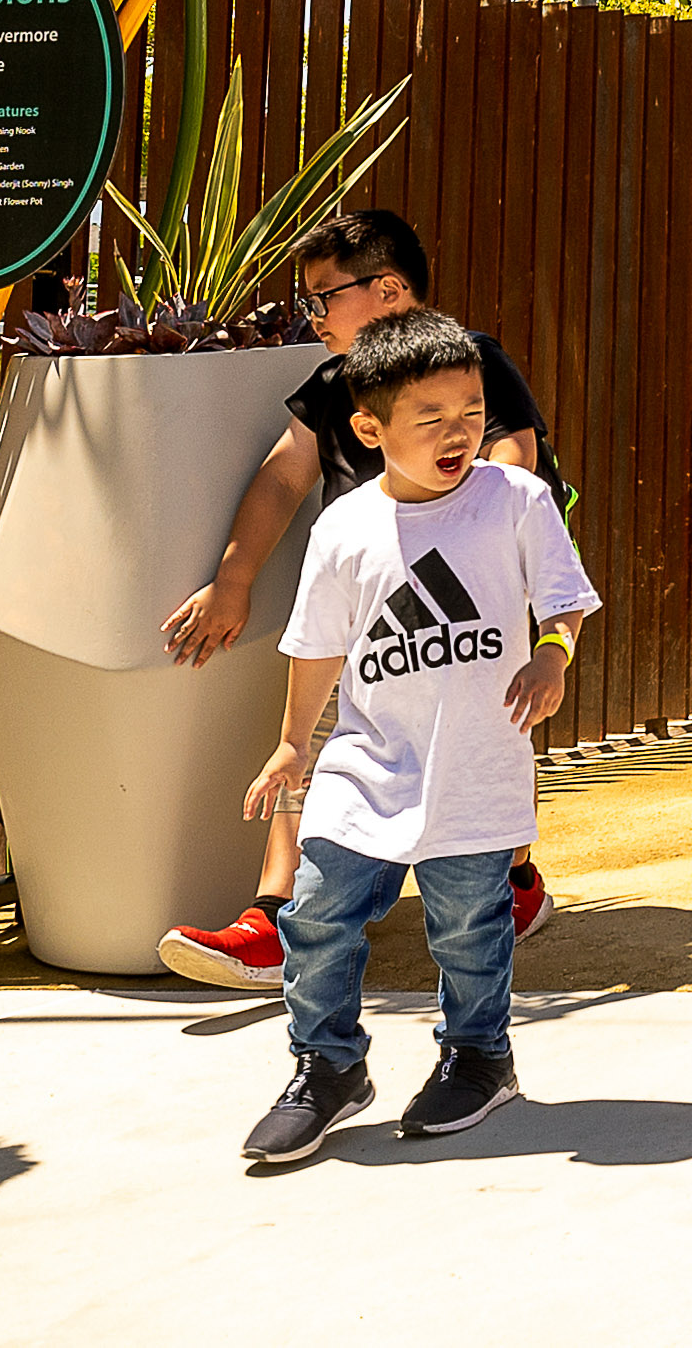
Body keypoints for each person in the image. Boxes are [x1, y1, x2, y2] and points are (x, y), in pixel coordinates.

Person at [158, 209, 562, 985]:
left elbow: (515, 452)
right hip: (371, 594)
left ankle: (512, 883)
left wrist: (503, 555)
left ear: (389, 290)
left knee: (479, 739)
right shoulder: (332, 384)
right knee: (320, 739)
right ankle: (275, 917)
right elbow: (283, 476)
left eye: (322, 297)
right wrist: (233, 580)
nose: (311, 315)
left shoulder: (468, 360)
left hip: (464, 596)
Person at [235, 310, 598, 1165]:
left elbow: (565, 598)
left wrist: (551, 656)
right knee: (318, 908)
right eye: (429, 417)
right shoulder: (344, 526)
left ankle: (479, 1056)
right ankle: (325, 1066)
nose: (457, 433)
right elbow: (318, 643)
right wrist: (292, 742)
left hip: (475, 763)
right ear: (371, 428)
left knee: (468, 927)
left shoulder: (516, 499)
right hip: (364, 762)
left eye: (470, 411)